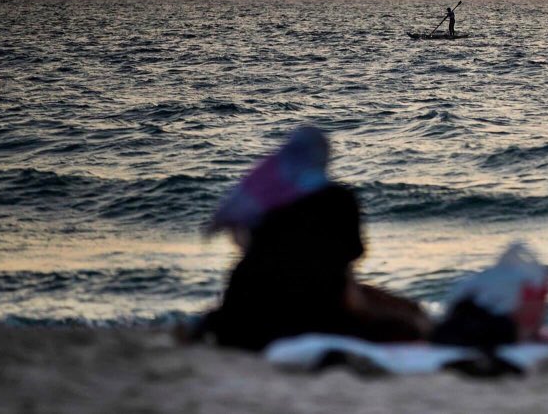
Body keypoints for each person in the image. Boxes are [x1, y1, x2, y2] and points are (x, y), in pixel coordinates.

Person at [183, 126, 429, 351]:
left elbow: (244, 244)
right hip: (314, 308)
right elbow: (352, 252)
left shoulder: (266, 202)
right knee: (401, 325)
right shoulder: (339, 199)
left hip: (247, 309)